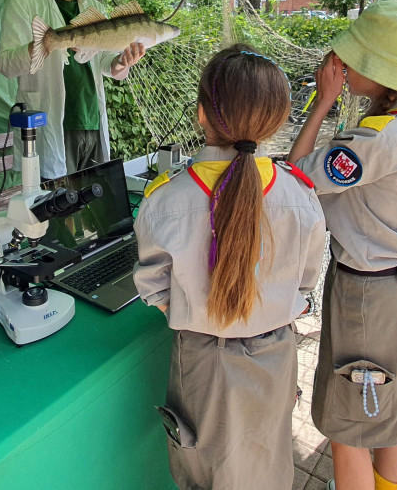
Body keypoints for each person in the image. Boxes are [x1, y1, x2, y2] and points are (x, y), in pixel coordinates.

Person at [134, 45, 328, 490]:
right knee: (267, 459)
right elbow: (304, 286)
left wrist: (196, 309)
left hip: (201, 361)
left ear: (202, 113)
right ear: (276, 121)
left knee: (203, 466)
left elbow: (154, 288)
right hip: (276, 354)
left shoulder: (165, 200)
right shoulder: (302, 198)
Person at [289, 0, 397, 490]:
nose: (340, 65)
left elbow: (298, 178)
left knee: (350, 426)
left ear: (382, 72)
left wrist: (323, 102)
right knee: (391, 407)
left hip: (365, 295)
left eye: (353, 59)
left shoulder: (376, 140)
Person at [0, 0, 145, 179]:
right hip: (54, 125)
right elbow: (5, 65)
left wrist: (122, 62)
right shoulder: (23, 1)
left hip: (92, 122)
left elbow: (105, 63)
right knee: (60, 208)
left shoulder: (94, 7)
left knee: (95, 206)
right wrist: (44, 44)